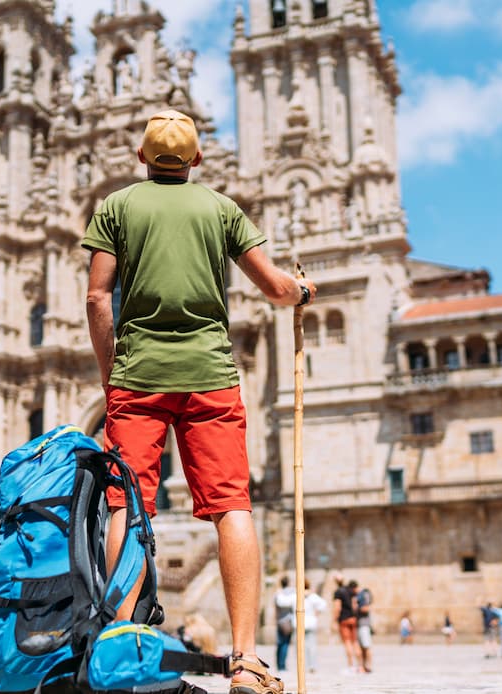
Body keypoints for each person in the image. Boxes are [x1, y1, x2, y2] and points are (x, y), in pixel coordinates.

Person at [83, 108, 315, 694]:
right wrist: (302, 290)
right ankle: (245, 661)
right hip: (212, 374)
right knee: (233, 507)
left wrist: (112, 372)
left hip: (137, 377)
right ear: (197, 159)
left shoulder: (115, 206)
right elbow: (274, 288)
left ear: (140, 157)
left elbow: (96, 298)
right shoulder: (221, 208)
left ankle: (119, 644)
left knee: (127, 505)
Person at [331, 577, 359, 672]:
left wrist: (334, 620)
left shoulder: (338, 592)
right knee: (355, 642)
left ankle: (351, 665)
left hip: (344, 619)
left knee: (347, 642)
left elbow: (337, 607)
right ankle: (359, 665)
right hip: (353, 618)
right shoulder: (351, 591)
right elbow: (355, 605)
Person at [301, 581, 327, 674]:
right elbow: (323, 604)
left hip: (300, 623)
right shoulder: (312, 596)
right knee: (312, 646)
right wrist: (317, 612)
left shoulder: (296, 594)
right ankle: (312, 665)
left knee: (300, 647)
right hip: (311, 622)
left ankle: (302, 665)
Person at [273, 576, 296, 671]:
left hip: (280, 621)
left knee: (280, 643)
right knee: (285, 643)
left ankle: (279, 664)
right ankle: (282, 665)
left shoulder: (278, 593)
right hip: (288, 621)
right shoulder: (292, 594)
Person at [356, 585, 374, 673]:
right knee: (362, 647)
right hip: (360, 625)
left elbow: (365, 609)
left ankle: (368, 666)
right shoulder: (362, 595)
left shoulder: (364, 595)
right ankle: (363, 666)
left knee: (366, 646)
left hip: (364, 625)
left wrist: (356, 607)